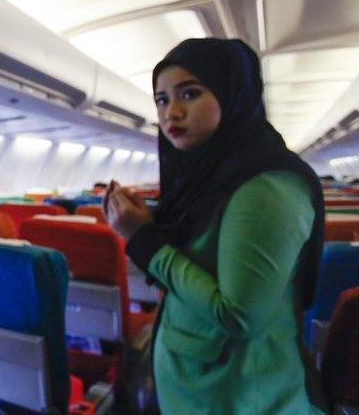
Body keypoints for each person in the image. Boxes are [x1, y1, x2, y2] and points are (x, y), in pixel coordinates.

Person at [103, 38, 327, 414]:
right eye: (161, 100)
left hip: (245, 397)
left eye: (189, 94)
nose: (171, 113)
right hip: (201, 390)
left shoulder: (268, 187)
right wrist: (152, 225)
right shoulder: (204, 180)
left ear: (231, 93)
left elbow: (238, 316)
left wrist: (144, 240)